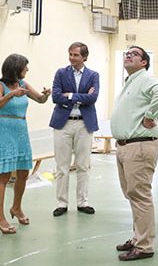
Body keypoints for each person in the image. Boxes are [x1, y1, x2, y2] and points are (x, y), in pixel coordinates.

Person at [111, 46, 158, 261]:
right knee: (133, 195)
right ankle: (138, 237)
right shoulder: (132, 80)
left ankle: (144, 246)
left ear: (144, 62)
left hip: (139, 146)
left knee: (140, 196)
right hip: (127, 146)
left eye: (135, 54)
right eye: (127, 52)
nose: (128, 55)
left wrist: (151, 115)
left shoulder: (146, 79)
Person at [0, 53, 50, 235]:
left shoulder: (23, 84)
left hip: (22, 130)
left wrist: (46, 95)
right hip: (6, 131)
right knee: (4, 175)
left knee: (23, 172)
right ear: (16, 69)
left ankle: (16, 207)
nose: (27, 70)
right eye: (25, 67)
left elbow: (39, 99)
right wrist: (11, 95)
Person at [49, 42, 100, 217]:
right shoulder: (61, 73)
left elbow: (93, 97)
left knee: (83, 165)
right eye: (70, 54)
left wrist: (69, 95)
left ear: (84, 57)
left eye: (76, 55)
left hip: (84, 124)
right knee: (62, 166)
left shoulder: (93, 75)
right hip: (63, 124)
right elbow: (56, 97)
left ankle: (82, 202)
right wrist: (81, 97)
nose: (72, 58)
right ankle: (61, 203)